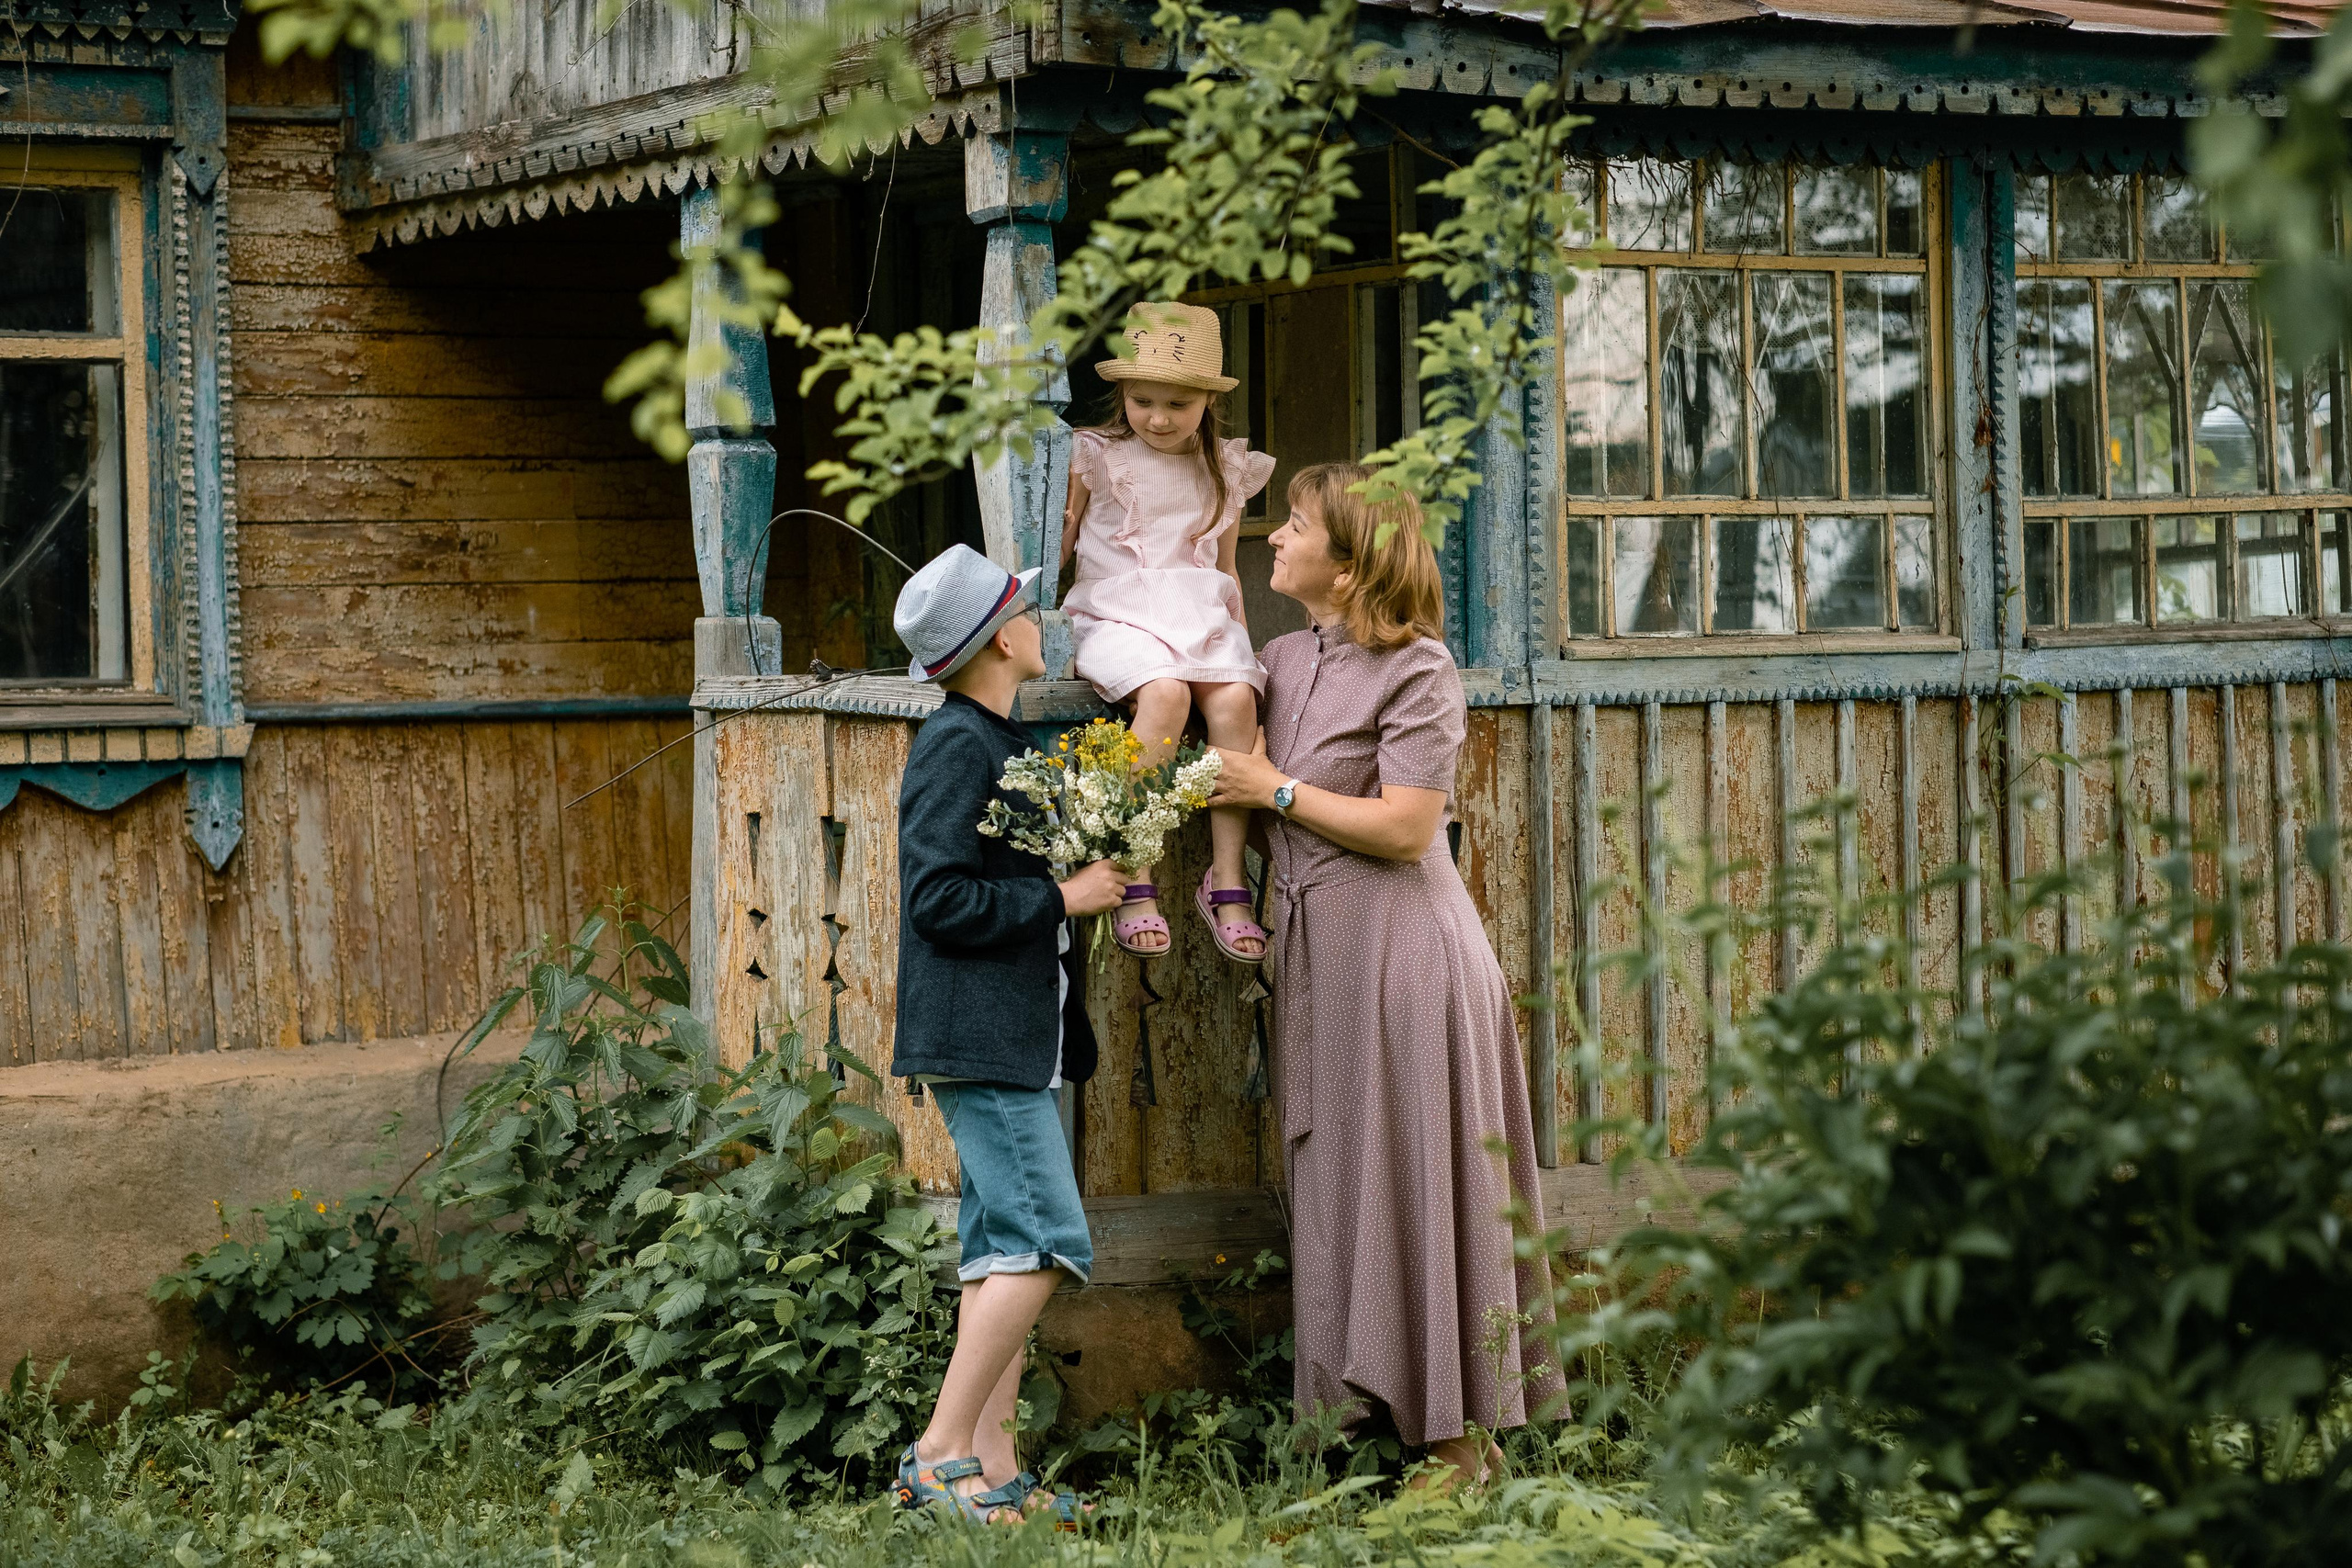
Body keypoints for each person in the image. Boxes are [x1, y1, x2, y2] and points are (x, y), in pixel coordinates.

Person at [1206, 465, 1564, 1490]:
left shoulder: (1419, 669)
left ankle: (1461, 1444)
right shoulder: (1281, 659)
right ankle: (1357, 1427)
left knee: (1417, 1176)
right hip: (1321, 950)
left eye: (1297, 525)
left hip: (1408, 954)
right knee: (1338, 1179)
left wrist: (1275, 787)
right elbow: (1253, 795)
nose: (1277, 538)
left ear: (1351, 563)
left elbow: (1409, 827)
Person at [888, 544, 1130, 1524]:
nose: (1038, 622)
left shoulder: (998, 738)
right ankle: (938, 1456)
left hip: (1013, 1037)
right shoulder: (957, 743)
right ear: (998, 641)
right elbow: (936, 898)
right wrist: (1061, 896)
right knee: (1045, 1241)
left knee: (995, 1255)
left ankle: (992, 1471)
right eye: (1023, 611)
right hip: (979, 1038)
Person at [1061, 300, 1277, 964]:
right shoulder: (1097, 456)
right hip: (1114, 609)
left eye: (1177, 404)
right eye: (1142, 401)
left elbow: (1226, 568)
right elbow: (1060, 545)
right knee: (1165, 693)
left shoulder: (1224, 468)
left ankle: (1228, 878)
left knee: (1234, 701)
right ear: (1122, 394)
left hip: (1196, 612)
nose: (1158, 418)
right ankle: (1132, 865)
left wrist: (1240, 655)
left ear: (1207, 402)